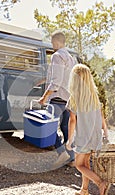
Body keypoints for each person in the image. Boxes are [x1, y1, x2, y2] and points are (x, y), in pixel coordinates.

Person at [65, 64, 110, 195]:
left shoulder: (74, 98)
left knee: (79, 165)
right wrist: (106, 134)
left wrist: (69, 139)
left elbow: (72, 120)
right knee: (86, 164)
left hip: (82, 138)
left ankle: (101, 183)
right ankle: (84, 190)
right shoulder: (94, 97)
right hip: (95, 137)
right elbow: (102, 117)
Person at [38, 31, 76, 167]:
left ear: (57, 42)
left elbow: (57, 81)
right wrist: (43, 81)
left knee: (48, 127)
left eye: (53, 42)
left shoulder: (57, 56)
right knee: (65, 127)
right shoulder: (71, 58)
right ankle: (72, 158)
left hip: (57, 97)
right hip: (68, 98)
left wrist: (44, 97)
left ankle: (62, 154)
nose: (52, 45)